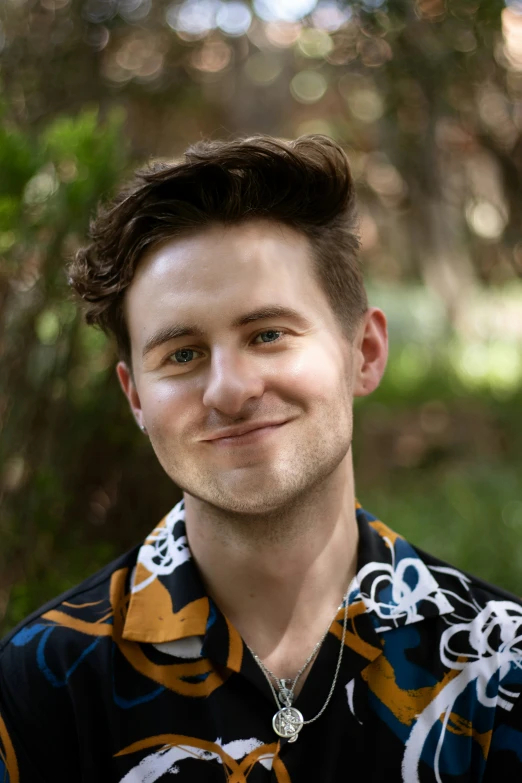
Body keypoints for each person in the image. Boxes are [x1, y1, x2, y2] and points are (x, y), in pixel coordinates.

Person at [1, 135, 521, 783]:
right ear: (135, 396)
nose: (230, 389)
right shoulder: (42, 683)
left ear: (364, 351)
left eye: (268, 334)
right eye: (183, 353)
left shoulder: (498, 667)